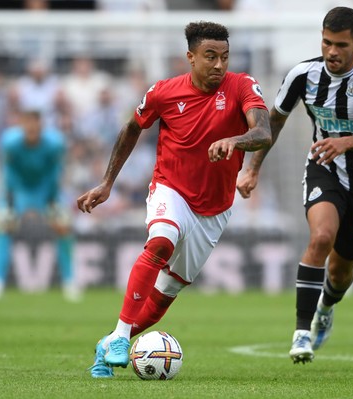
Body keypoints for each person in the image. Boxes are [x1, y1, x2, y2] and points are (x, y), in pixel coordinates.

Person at [77, 21, 271, 378]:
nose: (218, 65)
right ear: (191, 57)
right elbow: (132, 128)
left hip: (215, 209)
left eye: (224, 57)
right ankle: (121, 337)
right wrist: (107, 184)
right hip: (172, 188)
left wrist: (237, 141)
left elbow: (263, 131)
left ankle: (107, 346)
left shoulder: (242, 85)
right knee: (162, 241)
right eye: (210, 56)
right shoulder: (163, 92)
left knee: (166, 292)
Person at [237, 6, 353, 363]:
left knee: (341, 270)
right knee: (321, 238)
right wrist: (253, 169)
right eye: (327, 42)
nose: (332, 52)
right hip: (324, 168)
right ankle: (301, 334)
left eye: (341, 45)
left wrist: (346, 141)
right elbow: (273, 123)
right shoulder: (302, 74)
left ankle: (327, 306)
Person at [0, 109, 78, 302]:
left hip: (45, 192)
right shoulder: (10, 143)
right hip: (19, 192)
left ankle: (70, 282)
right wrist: (10, 201)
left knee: (64, 227)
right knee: (2, 226)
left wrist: (51, 199)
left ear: (41, 125)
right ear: (22, 125)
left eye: (35, 125)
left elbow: (55, 172)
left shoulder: (55, 144)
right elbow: (9, 172)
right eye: (27, 125)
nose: (31, 129)